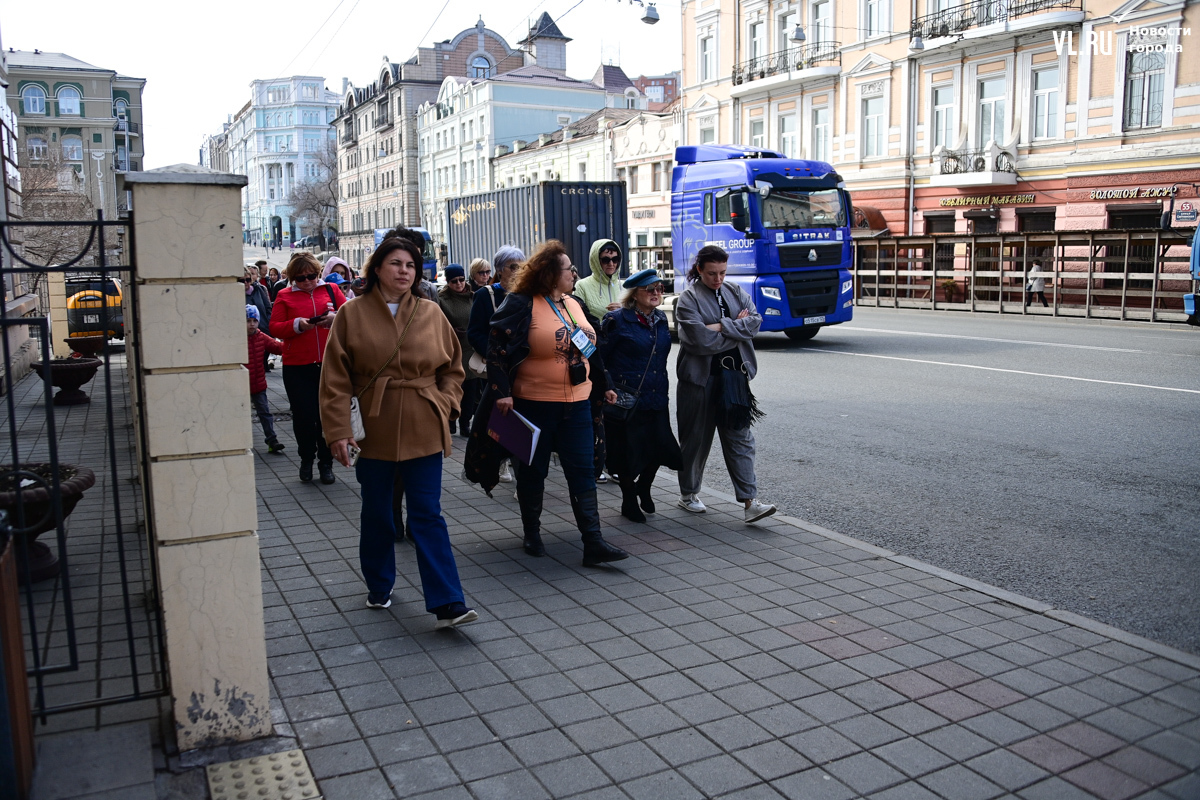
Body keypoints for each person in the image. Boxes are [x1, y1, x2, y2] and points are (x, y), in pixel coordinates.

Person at [319, 231, 477, 627]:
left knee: (427, 514)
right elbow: (335, 380)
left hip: (425, 424)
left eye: (410, 265)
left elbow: (453, 369)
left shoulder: (430, 312)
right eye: (395, 264)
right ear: (376, 269)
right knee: (377, 513)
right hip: (373, 428)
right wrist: (339, 432)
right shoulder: (351, 314)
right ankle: (379, 584)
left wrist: (445, 404)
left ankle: (448, 603)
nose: (404, 271)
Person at [466, 240, 629, 567]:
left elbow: (590, 348)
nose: (574, 273)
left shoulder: (572, 303)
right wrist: (502, 393)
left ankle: (593, 543)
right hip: (533, 406)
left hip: (579, 406)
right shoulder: (521, 303)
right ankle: (532, 532)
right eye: (568, 269)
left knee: (583, 472)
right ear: (550, 273)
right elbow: (496, 350)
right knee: (532, 471)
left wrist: (605, 385)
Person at [675, 245, 777, 524]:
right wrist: (735, 327)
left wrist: (719, 326)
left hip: (734, 380)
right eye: (711, 273)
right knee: (695, 440)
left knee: (741, 439)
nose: (718, 278)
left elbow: (755, 323)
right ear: (699, 270)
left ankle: (750, 502)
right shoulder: (688, 299)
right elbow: (698, 340)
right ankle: (688, 493)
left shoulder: (734, 291)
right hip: (700, 382)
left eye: (722, 272)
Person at [599, 269, 681, 522]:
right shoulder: (616, 320)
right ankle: (628, 499)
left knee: (659, 448)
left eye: (659, 288)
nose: (657, 293)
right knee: (627, 452)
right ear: (635, 294)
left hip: (656, 396)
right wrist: (608, 386)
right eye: (650, 289)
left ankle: (643, 487)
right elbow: (600, 358)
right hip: (627, 399)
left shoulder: (659, 319)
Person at [269, 252, 347, 485]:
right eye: (301, 278)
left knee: (326, 417)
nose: (307, 281)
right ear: (293, 278)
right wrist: (297, 325)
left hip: (328, 364)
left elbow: (351, 316)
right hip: (297, 366)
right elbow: (274, 327)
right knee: (304, 417)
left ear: (318, 273)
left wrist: (334, 318)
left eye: (311, 276)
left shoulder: (332, 290)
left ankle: (326, 463)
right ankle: (306, 459)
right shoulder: (284, 295)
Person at [467, 245, 524, 480]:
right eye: (513, 267)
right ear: (500, 270)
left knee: (521, 418)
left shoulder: (527, 295)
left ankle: (520, 469)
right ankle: (501, 460)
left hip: (522, 368)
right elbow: (475, 332)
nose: (518, 271)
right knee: (500, 414)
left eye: (522, 266)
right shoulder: (486, 295)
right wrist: (494, 357)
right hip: (498, 369)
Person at [437, 264, 479, 436]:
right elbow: (437, 323)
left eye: (461, 280)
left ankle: (465, 424)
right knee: (453, 387)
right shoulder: (442, 300)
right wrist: (451, 331)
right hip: (452, 351)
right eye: (454, 281)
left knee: (470, 391)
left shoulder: (473, 297)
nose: (459, 284)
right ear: (448, 282)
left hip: (471, 349)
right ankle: (451, 420)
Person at [245, 305, 285, 454]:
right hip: (241, 385)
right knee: (241, 415)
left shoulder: (261, 336)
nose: (252, 324)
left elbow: (277, 347)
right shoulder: (238, 339)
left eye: (254, 320)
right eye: (248, 320)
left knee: (265, 413)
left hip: (258, 383)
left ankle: (272, 440)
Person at [574, 239, 624, 321]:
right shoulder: (582, 286)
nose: (611, 264)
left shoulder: (626, 286)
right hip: (595, 333)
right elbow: (577, 319)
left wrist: (625, 310)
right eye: (605, 260)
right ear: (596, 260)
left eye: (615, 259)